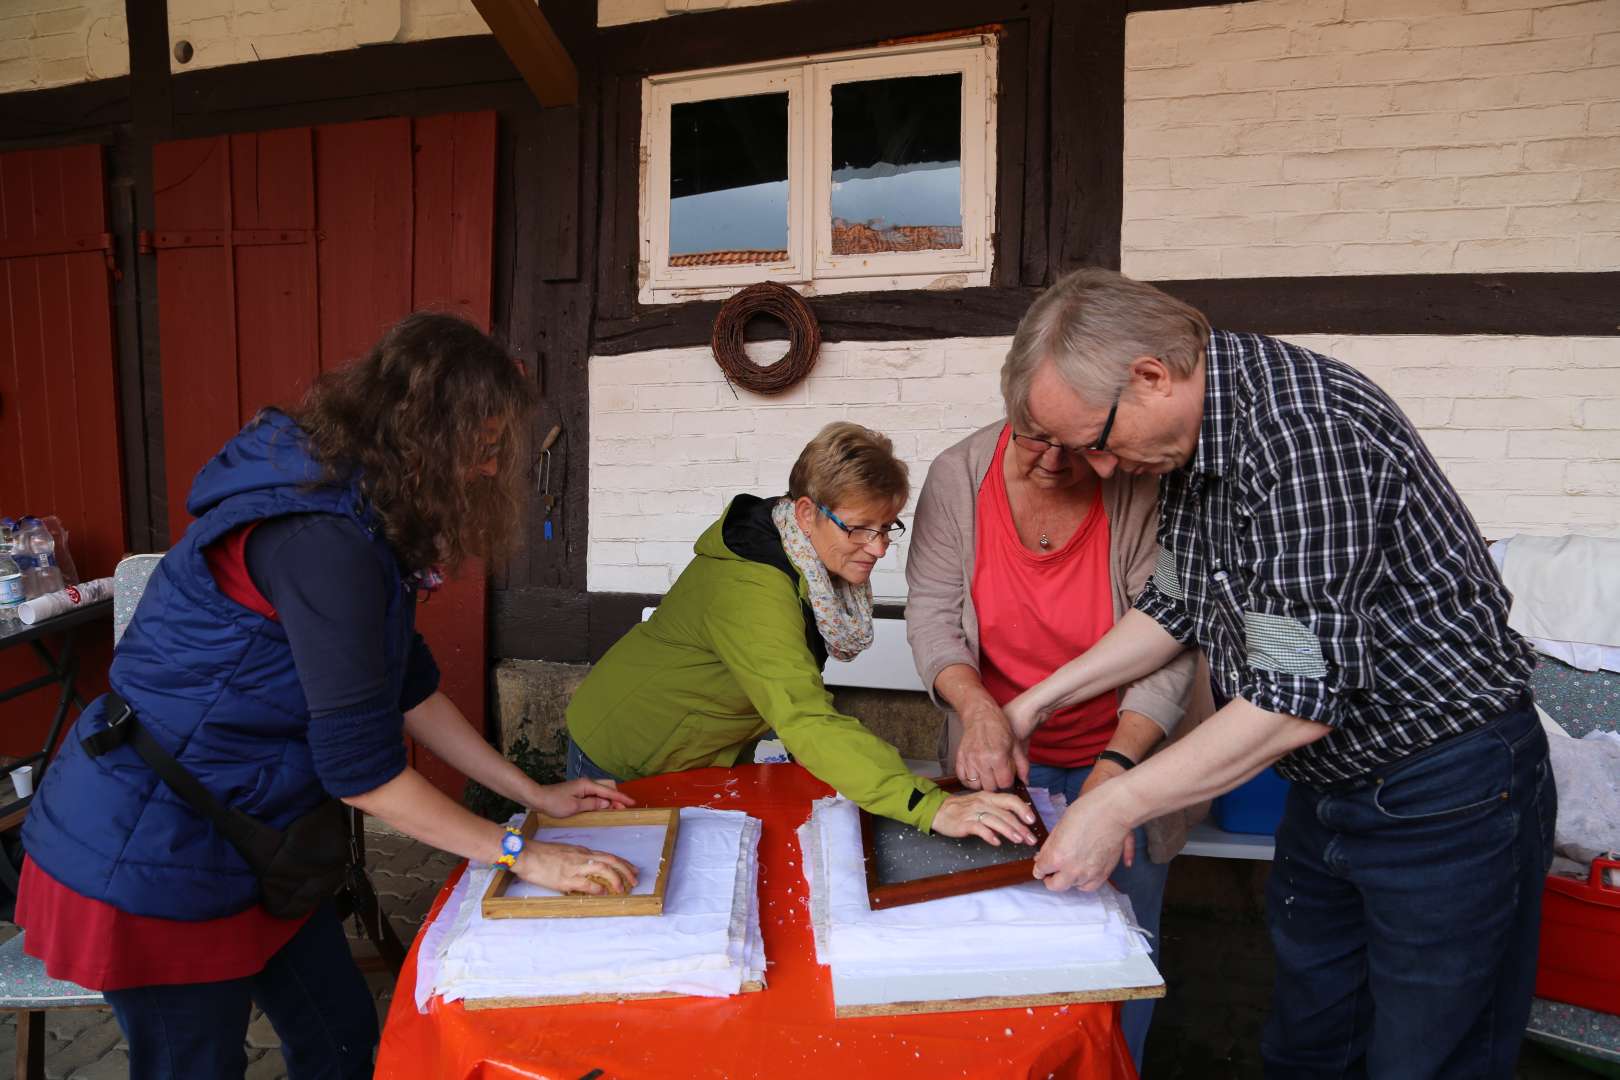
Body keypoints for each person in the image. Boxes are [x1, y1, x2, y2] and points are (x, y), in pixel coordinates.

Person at [18, 313, 638, 1079]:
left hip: (257, 837)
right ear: (426, 439)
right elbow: (362, 774)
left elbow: (409, 691)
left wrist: (529, 792)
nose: (488, 472)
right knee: (196, 1064)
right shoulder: (322, 539)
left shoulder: (366, 518)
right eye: (482, 450)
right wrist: (520, 853)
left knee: (342, 1038)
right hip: (155, 850)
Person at [1000, 269, 1553, 1078]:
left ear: (1151, 375)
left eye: (1097, 441)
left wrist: (1113, 801)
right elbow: (1176, 604)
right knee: (1307, 1048)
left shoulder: (1305, 431)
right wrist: (1030, 706)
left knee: (1429, 1061)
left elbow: (1296, 697)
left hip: (1448, 792)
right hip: (1329, 791)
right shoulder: (1188, 439)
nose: (1104, 469)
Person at [904, 394, 1207, 1067]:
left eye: (1075, 446)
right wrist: (979, 712)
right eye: (1032, 438)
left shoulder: (1140, 482)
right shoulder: (959, 477)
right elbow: (931, 617)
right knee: (1001, 939)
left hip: (1134, 749)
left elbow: (1173, 643)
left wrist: (1116, 779)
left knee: (1122, 945)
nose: (1051, 460)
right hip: (1002, 755)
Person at [566, 421, 1038, 844]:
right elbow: (804, 716)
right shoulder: (753, 587)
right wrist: (927, 805)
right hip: (625, 752)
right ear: (808, 512)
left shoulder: (800, 558)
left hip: (699, 752)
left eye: (885, 527)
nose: (877, 548)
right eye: (858, 528)